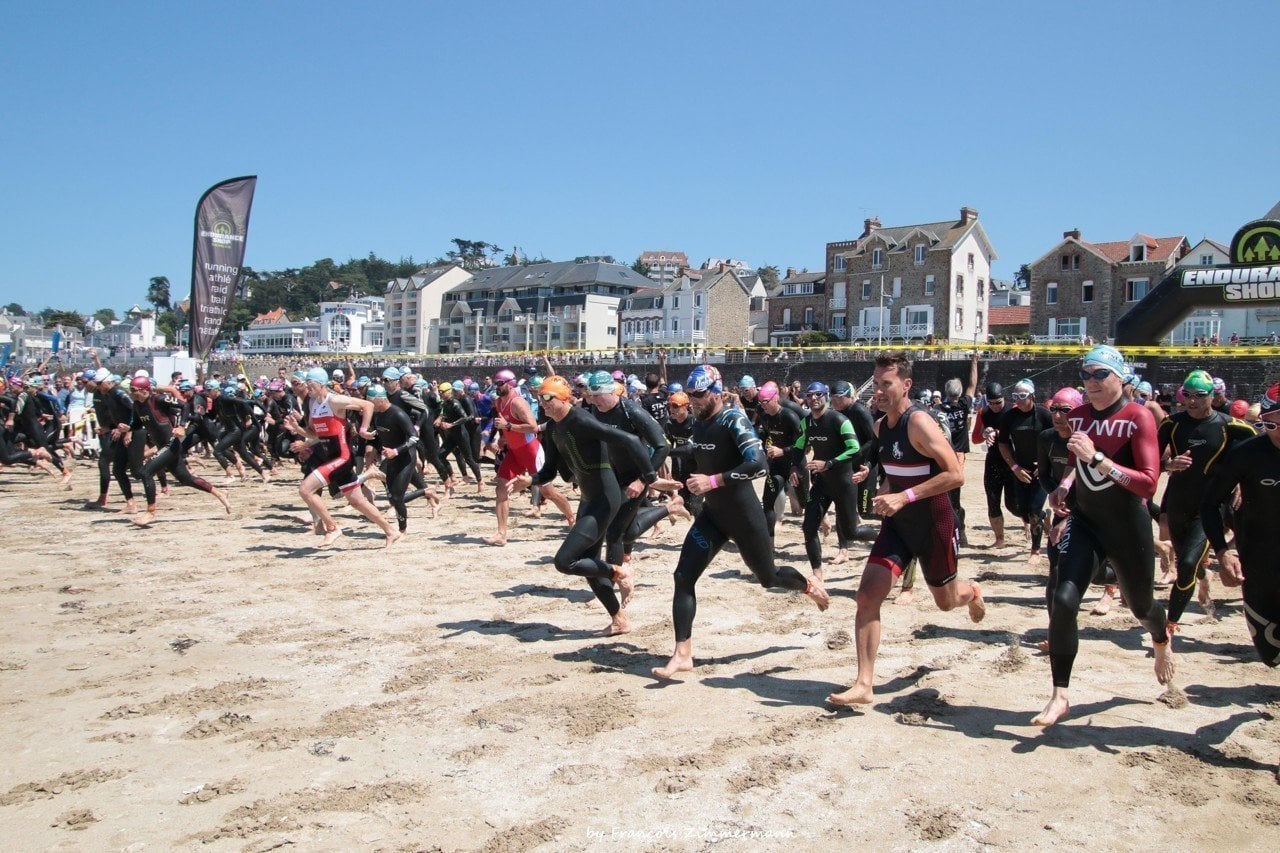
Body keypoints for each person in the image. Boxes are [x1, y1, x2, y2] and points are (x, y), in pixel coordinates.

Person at [828, 351, 985, 707]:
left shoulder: (920, 422)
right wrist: (884, 489)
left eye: (887, 384)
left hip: (934, 522)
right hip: (899, 525)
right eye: (877, 383)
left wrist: (905, 497)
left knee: (945, 603)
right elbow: (896, 472)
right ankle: (864, 684)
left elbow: (955, 475)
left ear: (906, 385)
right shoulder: (881, 425)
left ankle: (972, 591)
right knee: (867, 595)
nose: (879, 391)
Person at [652, 365, 828, 680]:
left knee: (768, 577)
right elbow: (698, 461)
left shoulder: (734, 419)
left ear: (717, 391)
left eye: (700, 394)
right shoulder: (699, 424)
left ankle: (807, 585)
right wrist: (685, 493)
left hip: (744, 517)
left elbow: (757, 464)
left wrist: (713, 481)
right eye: (690, 395)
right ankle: (682, 654)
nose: (694, 400)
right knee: (683, 576)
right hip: (714, 518)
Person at [1033, 345, 1173, 727]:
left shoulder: (1138, 417)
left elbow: (1146, 485)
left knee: (1141, 607)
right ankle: (1060, 693)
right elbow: (1079, 465)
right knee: (1063, 598)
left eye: (1100, 374)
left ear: (1120, 378)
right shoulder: (1077, 416)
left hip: (1128, 527)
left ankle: (1161, 639)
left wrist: (1098, 459)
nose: (1091, 382)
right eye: (1086, 374)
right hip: (1087, 520)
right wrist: (1064, 485)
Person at [517, 375, 661, 637]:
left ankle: (619, 571)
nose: (543, 403)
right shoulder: (552, 429)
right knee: (588, 563)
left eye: (547, 398)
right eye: (540, 398)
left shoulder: (582, 419)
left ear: (563, 398)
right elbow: (549, 472)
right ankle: (619, 620)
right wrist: (530, 480)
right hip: (588, 498)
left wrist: (648, 477)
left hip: (605, 500)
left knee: (564, 561)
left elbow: (629, 440)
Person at [1157, 370, 1256, 628]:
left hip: (1210, 506)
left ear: (1212, 396)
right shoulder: (1171, 424)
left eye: (1199, 396)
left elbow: (1262, 457)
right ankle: (1203, 578)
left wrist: (1243, 486)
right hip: (1179, 501)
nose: (1191, 401)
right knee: (1188, 560)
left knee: (1187, 563)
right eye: (1187, 395)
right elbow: (1149, 463)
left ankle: (1170, 625)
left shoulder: (1230, 426)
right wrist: (1168, 464)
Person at [1202, 381, 1280, 670]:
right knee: (1270, 654)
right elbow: (1209, 504)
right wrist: (1223, 552)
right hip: (1258, 557)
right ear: (1265, 421)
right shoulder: (1248, 454)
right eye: (1275, 423)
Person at [292, 368, 400, 548]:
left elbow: (368, 406)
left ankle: (332, 528)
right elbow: (314, 433)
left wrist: (364, 429)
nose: (307, 388)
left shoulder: (334, 400)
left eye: (310, 385)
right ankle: (391, 531)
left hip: (342, 457)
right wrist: (297, 429)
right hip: (330, 457)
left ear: (320, 384)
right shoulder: (312, 403)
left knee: (305, 489)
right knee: (358, 502)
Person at [124, 377, 231, 526]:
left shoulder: (159, 399)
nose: (131, 393)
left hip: (171, 444)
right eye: (131, 390)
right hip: (162, 446)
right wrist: (127, 429)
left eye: (134, 390)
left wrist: (181, 426)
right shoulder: (137, 405)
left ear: (144, 390)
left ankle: (151, 512)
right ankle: (220, 493)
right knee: (185, 479)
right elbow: (137, 424)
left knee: (145, 472)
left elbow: (184, 406)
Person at [486, 369, 574, 545]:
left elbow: (533, 427)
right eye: (495, 383)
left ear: (510, 383)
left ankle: (571, 518)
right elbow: (505, 427)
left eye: (499, 383)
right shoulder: (499, 403)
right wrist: (503, 437)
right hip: (515, 452)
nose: (497, 386)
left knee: (547, 491)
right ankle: (501, 534)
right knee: (501, 489)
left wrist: (508, 426)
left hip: (531, 451)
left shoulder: (517, 402)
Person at [793, 381, 870, 579]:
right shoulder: (806, 423)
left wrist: (828, 463)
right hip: (822, 483)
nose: (813, 399)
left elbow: (853, 448)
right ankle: (817, 575)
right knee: (808, 527)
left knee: (851, 531)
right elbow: (799, 447)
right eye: (809, 395)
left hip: (844, 481)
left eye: (818, 394)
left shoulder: (839, 420)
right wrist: (794, 467)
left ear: (825, 396)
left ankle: (885, 540)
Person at [997, 379, 1053, 556]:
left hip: (1041, 469)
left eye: (1022, 396)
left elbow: (1056, 441)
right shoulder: (1010, 417)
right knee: (1018, 509)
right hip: (1020, 468)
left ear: (1032, 396)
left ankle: (1035, 550)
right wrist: (1014, 467)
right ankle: (1043, 518)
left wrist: (1047, 463)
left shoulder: (1044, 415)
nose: (1018, 400)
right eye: (1015, 396)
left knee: (1034, 509)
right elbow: (1003, 444)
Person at [939, 354, 978, 545]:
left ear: (945, 392)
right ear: (959, 392)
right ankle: (959, 530)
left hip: (942, 454)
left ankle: (956, 529)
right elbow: (972, 385)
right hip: (959, 454)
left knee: (945, 493)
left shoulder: (939, 409)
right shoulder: (964, 404)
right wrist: (974, 363)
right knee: (954, 494)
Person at [971, 381, 1011, 547]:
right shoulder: (983, 412)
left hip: (1012, 461)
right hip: (994, 461)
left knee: (1016, 504)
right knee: (992, 501)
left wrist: (1002, 433)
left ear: (1004, 399)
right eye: (991, 403)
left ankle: (1029, 527)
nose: (995, 406)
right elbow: (975, 439)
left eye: (998, 403)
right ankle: (999, 539)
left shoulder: (1013, 411)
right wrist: (985, 433)